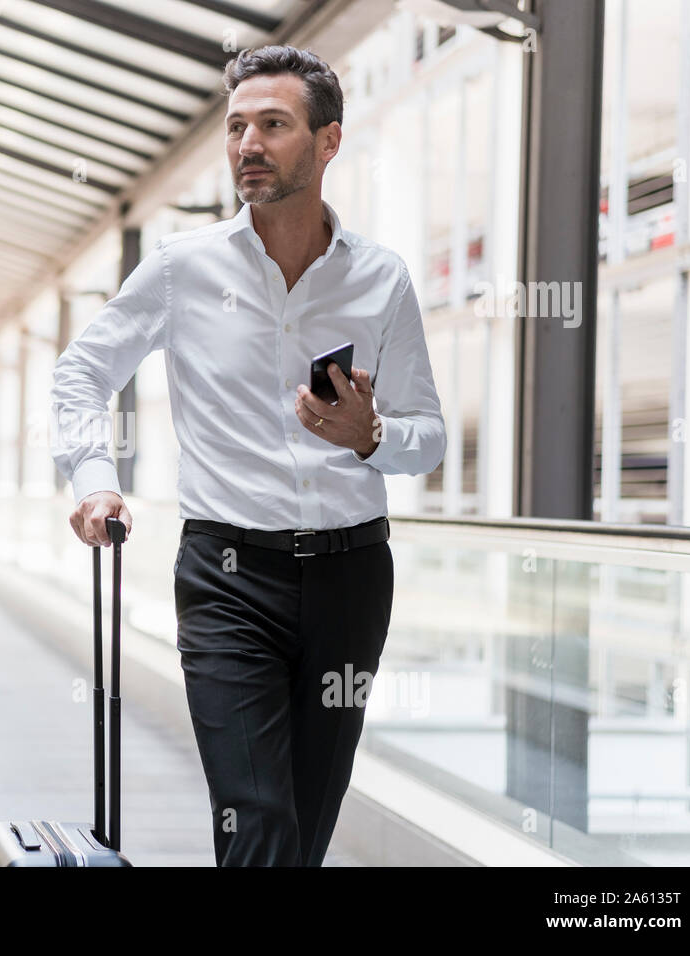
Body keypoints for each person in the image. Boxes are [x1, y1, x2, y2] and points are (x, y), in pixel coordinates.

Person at [49, 45, 446, 866]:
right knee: (258, 818)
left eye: (274, 124)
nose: (248, 145)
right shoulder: (181, 269)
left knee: (304, 828)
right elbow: (83, 372)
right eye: (237, 128)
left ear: (328, 143)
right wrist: (94, 481)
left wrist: (369, 437)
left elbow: (427, 435)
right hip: (227, 581)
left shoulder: (382, 279)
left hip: (351, 582)